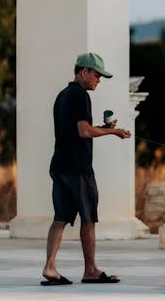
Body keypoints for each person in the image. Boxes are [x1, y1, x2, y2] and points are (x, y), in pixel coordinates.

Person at [40, 52, 132, 286]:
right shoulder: (80, 96)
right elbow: (84, 131)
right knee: (88, 217)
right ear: (83, 72)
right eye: (97, 75)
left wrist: (101, 127)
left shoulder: (62, 95)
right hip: (78, 168)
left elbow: (79, 129)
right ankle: (90, 270)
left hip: (59, 164)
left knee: (60, 218)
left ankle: (50, 267)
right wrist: (114, 132)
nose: (98, 81)